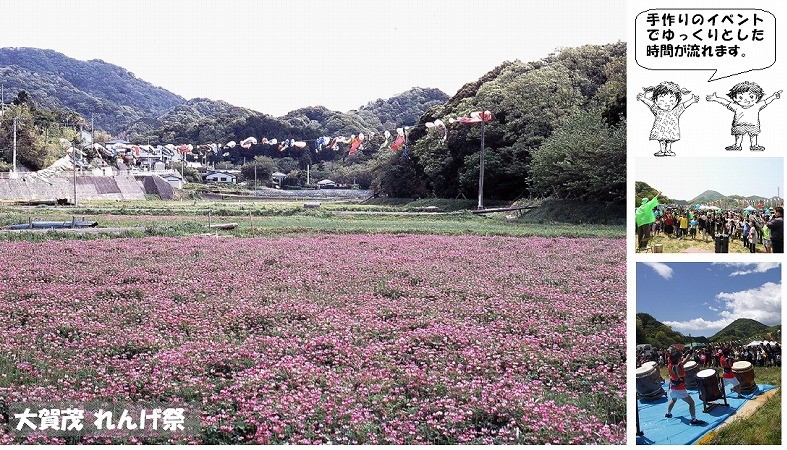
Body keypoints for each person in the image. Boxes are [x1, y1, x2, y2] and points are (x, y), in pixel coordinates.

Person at [707, 82, 781, 151]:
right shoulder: (735, 106)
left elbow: (766, 101)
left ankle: (754, 145)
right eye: (740, 97)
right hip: (739, 125)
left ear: (757, 98)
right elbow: (725, 102)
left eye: (751, 96)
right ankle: (737, 145)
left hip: (753, 125)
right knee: (738, 135)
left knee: (753, 135)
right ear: (734, 98)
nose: (746, 100)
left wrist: (774, 96)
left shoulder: (757, 106)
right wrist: (715, 99)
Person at [638, 81, 699, 156]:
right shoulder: (657, 110)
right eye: (662, 101)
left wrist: (692, 100)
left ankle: (668, 150)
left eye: (671, 101)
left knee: (669, 140)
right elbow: (650, 104)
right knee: (662, 140)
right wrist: (643, 98)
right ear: (656, 101)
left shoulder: (676, 111)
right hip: (660, 129)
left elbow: (684, 105)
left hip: (671, 129)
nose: (667, 104)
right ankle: (662, 150)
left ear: (676, 101)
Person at [665, 350, 702, 425]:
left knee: (673, 399)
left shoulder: (669, 365)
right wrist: (690, 352)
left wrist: (689, 352)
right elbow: (686, 361)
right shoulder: (679, 366)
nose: (682, 358)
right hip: (680, 389)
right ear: (678, 359)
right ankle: (693, 420)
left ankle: (668, 413)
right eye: (680, 357)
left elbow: (684, 361)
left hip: (672, 388)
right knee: (691, 403)